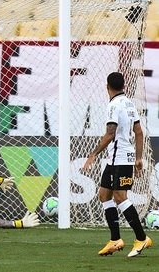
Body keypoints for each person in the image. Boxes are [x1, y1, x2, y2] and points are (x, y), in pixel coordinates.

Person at [82, 72, 153, 257]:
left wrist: (93, 154)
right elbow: (139, 132)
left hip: (119, 158)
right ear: (124, 85)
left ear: (108, 87)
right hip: (118, 158)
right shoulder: (129, 103)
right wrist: (138, 158)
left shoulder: (113, 105)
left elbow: (110, 133)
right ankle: (115, 240)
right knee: (104, 195)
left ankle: (142, 238)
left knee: (120, 197)